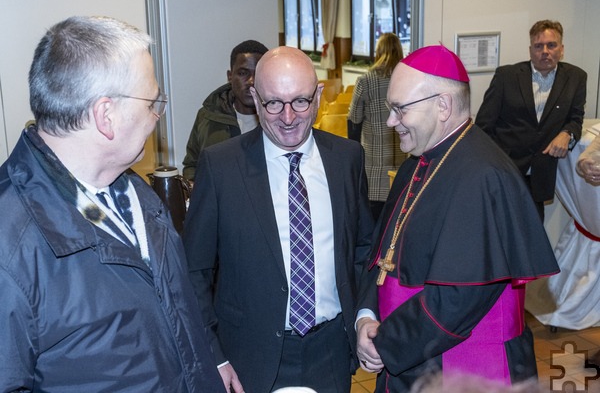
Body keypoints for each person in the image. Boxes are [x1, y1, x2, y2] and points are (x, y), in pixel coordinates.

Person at [0, 16, 224, 392]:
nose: (157, 115)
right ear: (106, 116)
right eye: (153, 102)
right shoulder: (10, 242)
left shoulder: (136, 192)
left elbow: (177, 316)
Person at [355, 45, 560, 392]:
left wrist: (384, 343)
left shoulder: (483, 176)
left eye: (399, 109)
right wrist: (366, 316)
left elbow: (456, 300)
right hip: (409, 351)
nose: (390, 122)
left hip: (456, 366)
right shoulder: (414, 165)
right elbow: (382, 254)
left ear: (443, 105)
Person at [183, 46, 373, 393]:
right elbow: (195, 271)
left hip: (330, 350)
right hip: (248, 357)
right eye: (273, 103)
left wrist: (364, 314)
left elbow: (363, 250)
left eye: (300, 101)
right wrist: (214, 355)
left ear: (318, 96)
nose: (288, 117)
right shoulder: (221, 166)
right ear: (254, 98)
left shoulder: (347, 159)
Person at [475, 20, 587, 220]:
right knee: (498, 229)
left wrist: (567, 134)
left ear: (561, 49)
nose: (545, 51)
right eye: (538, 46)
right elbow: (484, 125)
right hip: (504, 169)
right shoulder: (506, 76)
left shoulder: (576, 78)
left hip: (540, 173)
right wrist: (491, 164)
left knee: (533, 234)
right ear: (530, 50)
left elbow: (576, 118)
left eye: (551, 45)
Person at [182, 39, 269, 181]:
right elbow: (192, 165)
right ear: (230, 76)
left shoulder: (279, 118)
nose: (251, 81)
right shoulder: (208, 116)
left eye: (258, 73)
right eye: (243, 73)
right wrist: (197, 190)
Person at [348, 32, 408, 220]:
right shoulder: (407, 80)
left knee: (373, 228)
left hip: (373, 167)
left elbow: (354, 121)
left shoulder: (366, 80)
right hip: (402, 166)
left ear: (378, 52)